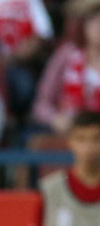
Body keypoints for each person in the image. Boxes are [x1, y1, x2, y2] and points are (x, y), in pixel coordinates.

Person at [33, 0, 100, 135]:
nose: (99, 27)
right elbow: (41, 105)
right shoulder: (66, 55)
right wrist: (55, 119)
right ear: (82, 25)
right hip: (69, 136)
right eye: (94, 20)